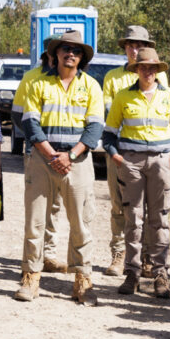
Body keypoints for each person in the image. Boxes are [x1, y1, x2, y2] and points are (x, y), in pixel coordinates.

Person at [11, 24, 107, 304]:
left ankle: (83, 281)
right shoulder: (38, 82)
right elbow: (29, 121)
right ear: (56, 53)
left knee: (81, 223)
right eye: (66, 49)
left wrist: (71, 155)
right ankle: (31, 277)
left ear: (82, 58)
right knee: (35, 222)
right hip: (43, 160)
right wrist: (51, 154)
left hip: (77, 162)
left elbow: (94, 127)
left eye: (76, 51)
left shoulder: (91, 86)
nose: (71, 54)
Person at [101, 44, 170, 297]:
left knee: (159, 219)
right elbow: (108, 134)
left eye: (152, 68)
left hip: (161, 162)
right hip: (132, 164)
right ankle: (132, 274)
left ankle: (160, 274)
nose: (148, 72)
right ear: (136, 69)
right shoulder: (123, 96)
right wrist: (117, 156)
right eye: (143, 67)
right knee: (133, 219)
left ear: (157, 70)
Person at [99, 25, 164, 276]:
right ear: (124, 48)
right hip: (120, 151)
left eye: (140, 45)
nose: (134, 50)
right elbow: (109, 115)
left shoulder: (160, 77)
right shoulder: (113, 78)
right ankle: (118, 254)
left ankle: (146, 257)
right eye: (130, 45)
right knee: (119, 204)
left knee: (148, 205)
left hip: (149, 152)